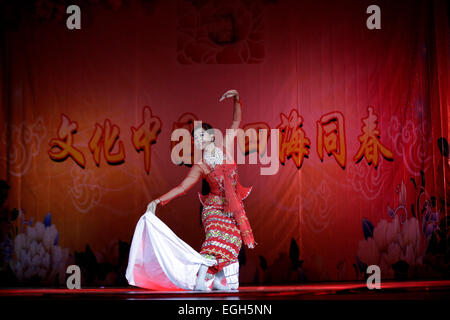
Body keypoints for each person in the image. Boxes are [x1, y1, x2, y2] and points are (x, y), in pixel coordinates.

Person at [126, 90, 256, 291]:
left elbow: (235, 123)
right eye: (195, 137)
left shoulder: (226, 147)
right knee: (215, 242)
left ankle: (218, 280)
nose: (197, 138)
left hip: (231, 210)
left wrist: (237, 98)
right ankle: (200, 279)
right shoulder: (201, 165)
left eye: (201, 134)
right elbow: (182, 188)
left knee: (233, 242)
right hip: (213, 209)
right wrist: (157, 201)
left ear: (211, 137)